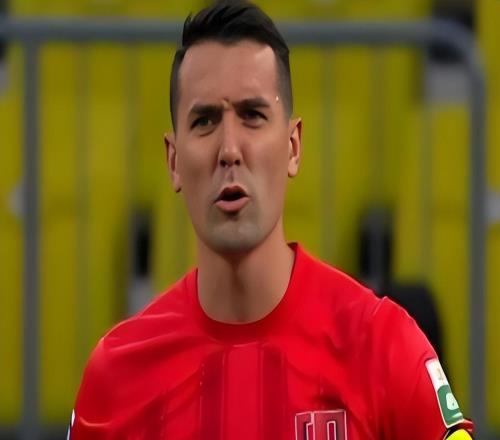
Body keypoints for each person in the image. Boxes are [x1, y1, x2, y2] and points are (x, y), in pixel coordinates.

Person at [68, 1, 474, 438]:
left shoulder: (384, 347)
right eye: (204, 121)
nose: (229, 149)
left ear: (293, 147)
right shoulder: (117, 375)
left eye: (252, 116)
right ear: (173, 161)